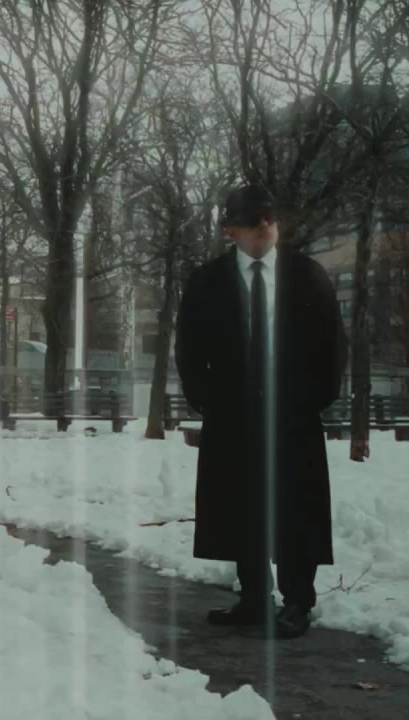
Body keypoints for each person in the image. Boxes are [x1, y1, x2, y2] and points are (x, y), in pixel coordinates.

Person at [174, 184, 348, 639]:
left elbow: (332, 347)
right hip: (232, 415)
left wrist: (310, 400)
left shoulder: (306, 275)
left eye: (270, 218)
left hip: (293, 415)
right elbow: (189, 347)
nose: (265, 227)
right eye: (253, 222)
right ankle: (253, 599)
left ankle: (297, 602)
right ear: (230, 231)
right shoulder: (207, 281)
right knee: (240, 505)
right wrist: (207, 399)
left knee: (296, 506)